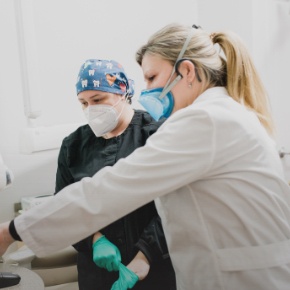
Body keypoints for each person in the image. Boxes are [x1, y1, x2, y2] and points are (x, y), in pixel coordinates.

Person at [1, 22, 290, 290]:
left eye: (152, 77)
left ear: (187, 71)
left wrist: (11, 231)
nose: (148, 90)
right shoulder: (226, 114)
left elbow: (112, 189)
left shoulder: (205, 121)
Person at [53, 59, 176, 289]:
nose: (91, 109)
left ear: (122, 92)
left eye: (98, 100)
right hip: (97, 273)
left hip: (156, 268)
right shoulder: (73, 146)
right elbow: (64, 206)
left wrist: (145, 255)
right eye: (83, 103)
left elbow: (175, 204)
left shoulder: (157, 133)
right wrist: (94, 239)